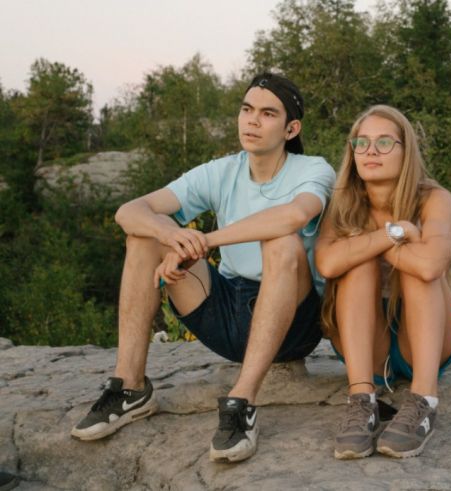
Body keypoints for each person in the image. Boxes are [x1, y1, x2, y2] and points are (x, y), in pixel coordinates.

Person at [70, 73, 336, 463]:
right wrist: (171, 235)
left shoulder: (313, 169)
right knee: (144, 236)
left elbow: (293, 216)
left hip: (292, 324)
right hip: (227, 312)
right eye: (246, 109)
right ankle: (130, 386)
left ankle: (242, 402)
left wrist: (205, 241)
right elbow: (129, 211)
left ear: (291, 128)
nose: (252, 121)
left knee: (281, 243)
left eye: (267, 114)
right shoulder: (220, 171)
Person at [315, 105, 451, 459]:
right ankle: (361, 400)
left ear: (405, 150)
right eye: (362, 142)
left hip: (428, 338)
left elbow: (431, 267)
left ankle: (424, 399)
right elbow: (328, 263)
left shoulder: (434, 198)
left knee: (415, 269)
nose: (370, 151)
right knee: (358, 267)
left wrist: (367, 244)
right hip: (370, 344)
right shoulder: (343, 202)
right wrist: (394, 235)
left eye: (384, 142)